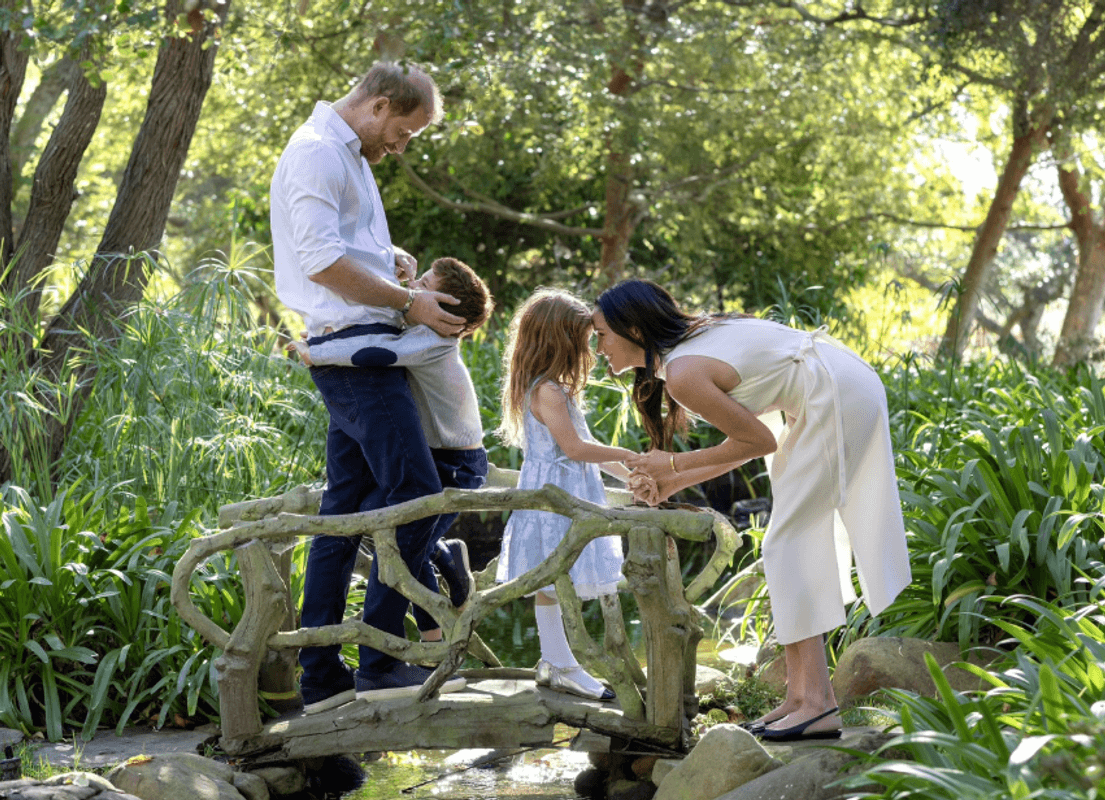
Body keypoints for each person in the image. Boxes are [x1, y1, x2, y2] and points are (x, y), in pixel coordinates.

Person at [593, 279, 911, 740]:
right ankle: (801, 698)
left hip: (838, 395)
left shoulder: (683, 373)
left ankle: (818, 704)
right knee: (790, 541)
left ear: (635, 330)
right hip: (839, 385)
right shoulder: (694, 346)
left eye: (601, 334)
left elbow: (759, 440)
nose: (598, 346)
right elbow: (742, 445)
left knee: (788, 542)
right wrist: (670, 481)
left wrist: (674, 464)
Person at [271, 61, 472, 713]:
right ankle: (381, 660)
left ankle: (323, 678)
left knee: (344, 514)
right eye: (405, 133)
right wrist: (408, 303)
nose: (401, 147)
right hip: (357, 357)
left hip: (358, 349)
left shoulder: (350, 154)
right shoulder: (318, 153)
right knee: (414, 493)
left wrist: (390, 263)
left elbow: (345, 249)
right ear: (381, 105)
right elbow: (320, 263)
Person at [290, 256, 494, 637]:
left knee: (405, 538)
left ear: (446, 310)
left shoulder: (433, 340)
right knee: (391, 527)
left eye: (426, 286)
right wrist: (403, 276)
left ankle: (432, 627)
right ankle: (442, 571)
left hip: (458, 462)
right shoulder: (420, 329)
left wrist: (315, 353)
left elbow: (378, 351)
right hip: (440, 453)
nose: (413, 291)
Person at [494, 288, 634, 702]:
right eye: (584, 340)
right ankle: (561, 663)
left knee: (557, 580)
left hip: (566, 493)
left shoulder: (556, 388)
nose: (590, 348)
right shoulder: (547, 391)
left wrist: (633, 476)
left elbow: (586, 446)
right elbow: (574, 449)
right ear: (561, 341)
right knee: (555, 578)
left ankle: (555, 659)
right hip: (554, 500)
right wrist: (631, 453)